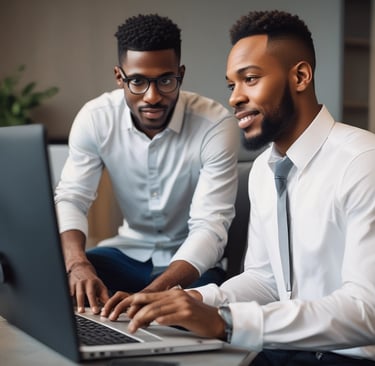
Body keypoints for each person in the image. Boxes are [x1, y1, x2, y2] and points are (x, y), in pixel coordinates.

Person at [100, 10, 375, 365]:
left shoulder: (362, 163)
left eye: (250, 79)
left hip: (351, 358)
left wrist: (225, 322)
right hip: (286, 350)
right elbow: (266, 281)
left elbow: (367, 310)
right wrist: (196, 302)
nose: (234, 98)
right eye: (232, 85)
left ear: (301, 76)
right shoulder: (263, 170)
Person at [55, 14, 239, 315]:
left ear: (180, 73)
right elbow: (72, 198)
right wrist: (77, 265)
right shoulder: (96, 118)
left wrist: (152, 294)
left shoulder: (215, 124)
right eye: (137, 81)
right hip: (124, 253)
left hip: (189, 264)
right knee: (67, 287)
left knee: (194, 314)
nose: (152, 97)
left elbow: (210, 226)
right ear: (119, 76)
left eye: (166, 80)